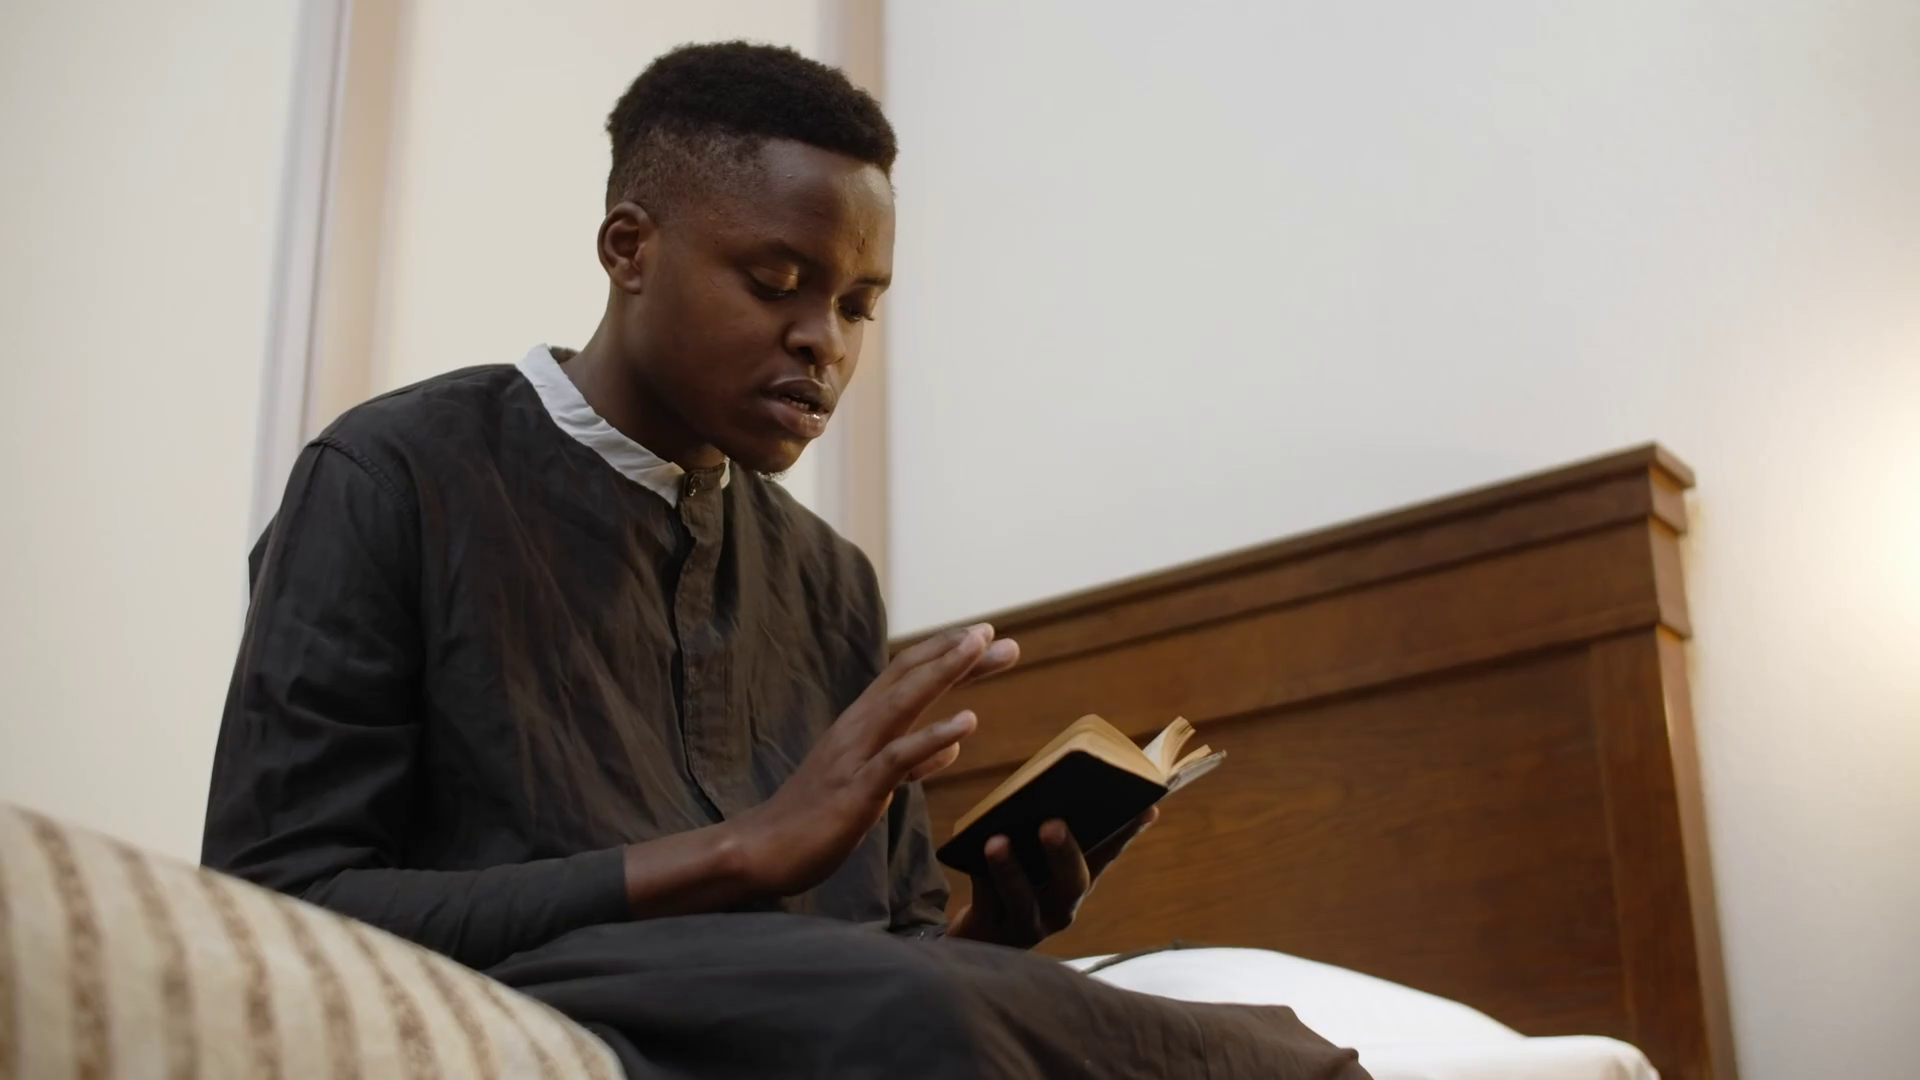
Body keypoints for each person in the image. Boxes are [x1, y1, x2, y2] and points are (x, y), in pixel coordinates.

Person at [203, 42, 1369, 1080]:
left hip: (837, 1008)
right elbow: (281, 901)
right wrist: (736, 854)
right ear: (629, 249)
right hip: (570, 986)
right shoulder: (395, 473)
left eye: (860, 306)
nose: (823, 340)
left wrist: (995, 937)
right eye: (776, 284)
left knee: (1276, 1041)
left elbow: (898, 949)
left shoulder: (827, 577)